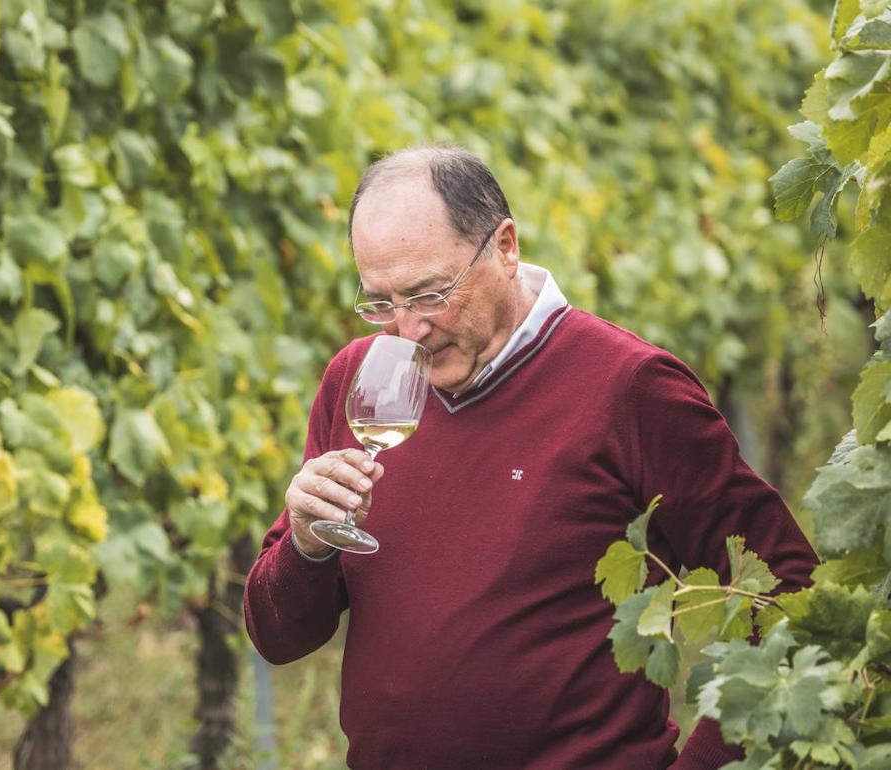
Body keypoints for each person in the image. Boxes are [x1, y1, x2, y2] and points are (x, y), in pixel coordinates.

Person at [243, 145, 818, 769]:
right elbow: (279, 637)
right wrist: (306, 545)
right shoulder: (358, 380)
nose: (406, 330)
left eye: (429, 294)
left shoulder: (630, 388)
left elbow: (787, 593)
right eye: (381, 302)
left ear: (506, 247)